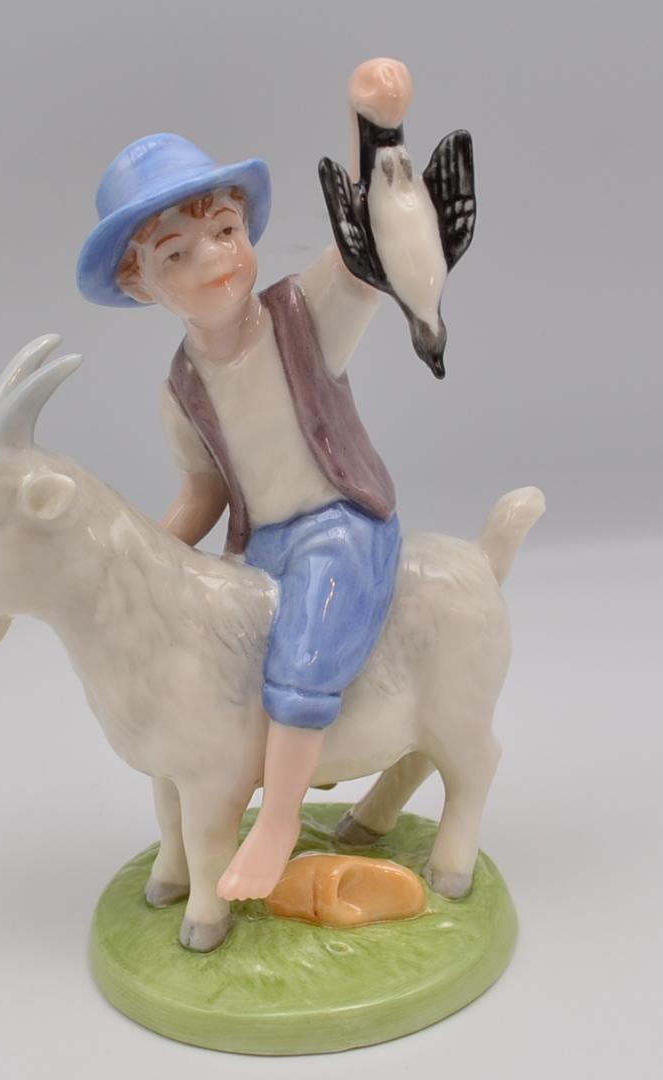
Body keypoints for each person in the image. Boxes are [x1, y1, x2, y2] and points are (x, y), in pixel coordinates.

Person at [76, 59, 417, 902]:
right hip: (261, 543)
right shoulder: (181, 391)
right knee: (206, 653)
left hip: (341, 525)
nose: (215, 259)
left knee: (302, 651)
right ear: (139, 283)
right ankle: (210, 802)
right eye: (176, 253)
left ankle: (276, 823)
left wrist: (374, 129)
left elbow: (367, 247)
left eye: (225, 230)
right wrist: (142, 560)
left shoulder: (304, 317)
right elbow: (204, 496)